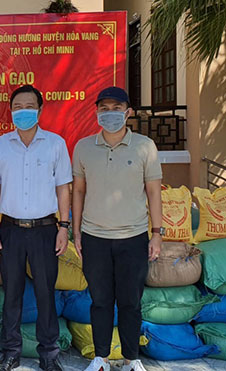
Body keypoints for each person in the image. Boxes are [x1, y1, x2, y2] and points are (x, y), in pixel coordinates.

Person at [73, 87, 162, 371]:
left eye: (116, 107)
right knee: (99, 301)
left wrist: (157, 233)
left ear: (128, 112)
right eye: (104, 108)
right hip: (94, 237)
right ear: (97, 112)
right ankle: (100, 358)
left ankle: (131, 358)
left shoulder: (144, 146)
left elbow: (154, 192)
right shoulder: (84, 147)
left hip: (133, 237)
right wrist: (76, 231)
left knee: (130, 302)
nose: (110, 113)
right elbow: (78, 192)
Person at [0, 85, 72, 371]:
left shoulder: (55, 144)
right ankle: (11, 352)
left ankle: (49, 354)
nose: (23, 111)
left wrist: (64, 226)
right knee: (11, 292)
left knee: (46, 292)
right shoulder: (0, 145)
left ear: (40, 109)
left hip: (46, 229)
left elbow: (63, 187)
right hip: (10, 230)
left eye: (29, 106)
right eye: (18, 106)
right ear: (11, 111)